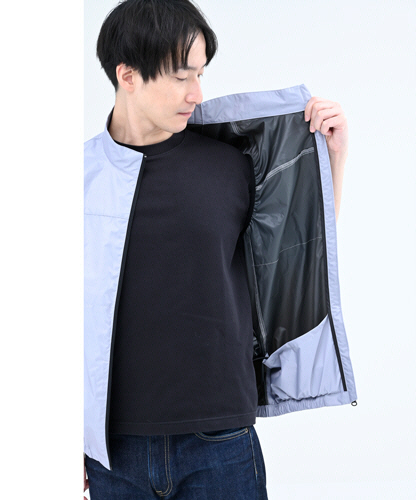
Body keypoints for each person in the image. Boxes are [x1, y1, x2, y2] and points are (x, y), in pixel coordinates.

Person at [84, 0, 356, 498]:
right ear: (127, 75)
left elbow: (295, 251)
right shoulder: (78, 178)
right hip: (113, 448)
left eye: (201, 74)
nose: (197, 93)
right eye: (181, 76)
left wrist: (332, 157)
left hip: (221, 440)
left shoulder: (230, 164)